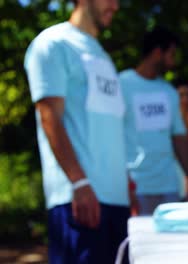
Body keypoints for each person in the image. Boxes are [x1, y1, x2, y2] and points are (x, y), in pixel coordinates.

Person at [23, 0, 130, 263]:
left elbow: (109, 126)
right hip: (80, 200)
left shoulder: (102, 56)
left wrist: (127, 182)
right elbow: (49, 116)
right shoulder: (53, 44)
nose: (116, 7)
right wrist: (79, 182)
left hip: (117, 201)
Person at [119, 27, 188, 216]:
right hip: (135, 188)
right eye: (171, 53)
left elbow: (179, 139)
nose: (174, 59)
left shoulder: (169, 92)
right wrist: (122, 182)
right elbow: (111, 135)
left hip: (169, 187)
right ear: (157, 53)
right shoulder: (122, 84)